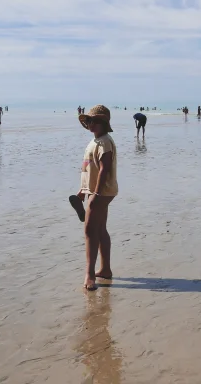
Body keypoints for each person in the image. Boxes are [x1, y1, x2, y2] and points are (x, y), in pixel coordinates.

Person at [70, 105, 118, 291]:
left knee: (90, 230)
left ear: (103, 122)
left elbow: (105, 169)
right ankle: (105, 269)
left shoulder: (104, 142)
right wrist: (83, 190)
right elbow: (90, 169)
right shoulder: (95, 142)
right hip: (95, 190)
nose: (89, 124)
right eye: (88, 120)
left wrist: (96, 194)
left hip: (102, 192)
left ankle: (89, 274)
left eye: (93, 120)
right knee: (100, 229)